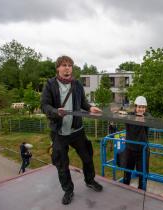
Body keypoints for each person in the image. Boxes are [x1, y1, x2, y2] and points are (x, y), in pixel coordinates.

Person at [41, 55, 103, 205]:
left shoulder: (76, 84)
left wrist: (90, 107)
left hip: (77, 130)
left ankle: (90, 180)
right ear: (58, 68)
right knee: (62, 164)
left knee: (87, 157)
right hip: (59, 132)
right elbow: (45, 105)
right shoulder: (50, 85)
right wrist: (56, 111)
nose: (67, 68)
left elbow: (82, 102)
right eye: (64, 65)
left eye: (69, 65)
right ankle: (68, 190)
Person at [122, 96, 150, 190]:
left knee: (143, 173)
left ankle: (141, 191)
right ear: (135, 107)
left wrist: (143, 118)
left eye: (143, 107)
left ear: (145, 108)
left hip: (142, 150)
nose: (141, 109)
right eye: (139, 107)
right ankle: (125, 188)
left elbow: (148, 119)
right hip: (130, 148)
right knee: (127, 171)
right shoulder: (129, 115)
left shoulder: (148, 117)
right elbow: (122, 115)